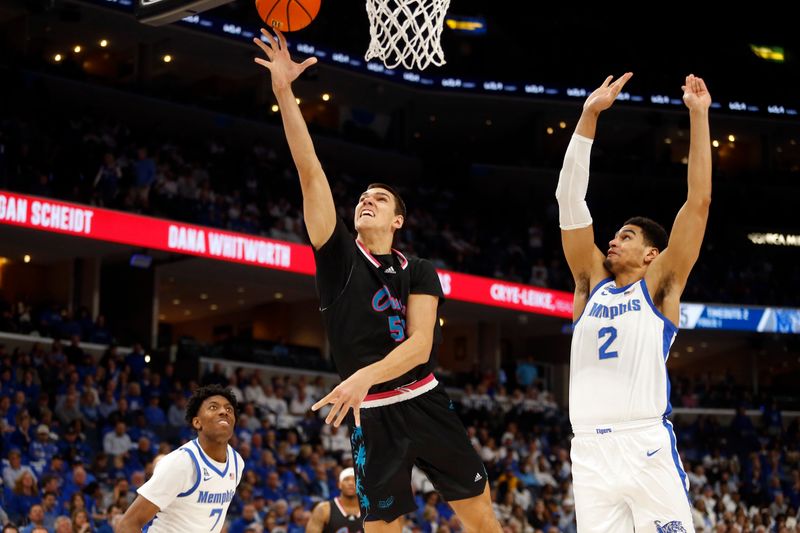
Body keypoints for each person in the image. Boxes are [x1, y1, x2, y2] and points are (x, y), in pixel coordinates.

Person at [253, 29, 501, 533]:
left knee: (482, 519)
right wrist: (284, 91)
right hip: (375, 417)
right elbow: (310, 171)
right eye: (362, 197)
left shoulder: (421, 270)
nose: (366, 200)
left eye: (380, 199)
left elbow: (421, 344)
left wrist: (363, 376)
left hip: (424, 399)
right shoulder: (339, 257)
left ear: (397, 221)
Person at [556, 72, 711, 531]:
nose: (612, 241)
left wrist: (698, 117)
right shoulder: (589, 282)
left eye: (626, 236)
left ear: (651, 254)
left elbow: (698, 203)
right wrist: (588, 116)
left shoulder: (660, 285)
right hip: (588, 452)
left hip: (644, 444)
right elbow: (569, 199)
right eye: (614, 234)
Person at [116, 384, 243, 532]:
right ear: (197, 422)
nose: (224, 412)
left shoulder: (237, 463)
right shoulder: (181, 463)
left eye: (229, 409)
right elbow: (127, 524)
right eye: (213, 407)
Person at [306, 467, 362, 533]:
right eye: (346, 480)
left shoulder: (368, 510)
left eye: (355, 480)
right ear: (339, 484)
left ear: (360, 485)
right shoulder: (323, 509)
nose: (351, 483)